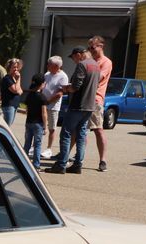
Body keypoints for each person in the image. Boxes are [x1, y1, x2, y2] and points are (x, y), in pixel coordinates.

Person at [46, 46, 99, 175]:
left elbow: (76, 86)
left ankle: (61, 164)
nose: (74, 60)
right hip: (90, 105)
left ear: (79, 54)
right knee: (81, 135)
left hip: (78, 105)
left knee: (66, 134)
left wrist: (66, 88)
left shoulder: (82, 64)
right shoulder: (96, 65)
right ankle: (77, 164)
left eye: (74, 57)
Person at [88, 35, 113, 172]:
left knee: (98, 130)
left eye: (92, 47)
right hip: (84, 98)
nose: (90, 50)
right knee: (79, 130)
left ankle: (102, 160)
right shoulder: (90, 61)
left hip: (95, 99)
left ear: (101, 46)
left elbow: (98, 77)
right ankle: (69, 156)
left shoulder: (106, 62)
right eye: (89, 48)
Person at [40, 56, 69, 158]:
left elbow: (60, 93)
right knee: (39, 125)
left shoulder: (63, 76)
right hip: (43, 104)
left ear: (56, 66)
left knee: (52, 128)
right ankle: (36, 146)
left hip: (53, 106)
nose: (47, 65)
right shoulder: (47, 74)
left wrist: (48, 101)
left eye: (49, 64)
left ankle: (49, 149)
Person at [23, 74, 47, 170]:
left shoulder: (29, 96)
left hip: (29, 122)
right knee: (37, 145)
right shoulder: (42, 97)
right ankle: (36, 165)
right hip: (38, 124)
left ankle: (23, 162)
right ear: (41, 84)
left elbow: (27, 110)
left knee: (27, 144)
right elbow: (44, 113)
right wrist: (45, 126)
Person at [1, 58, 23, 125]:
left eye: (17, 67)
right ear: (9, 68)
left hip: (14, 105)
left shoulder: (13, 78)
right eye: (14, 67)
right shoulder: (7, 79)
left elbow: (20, 91)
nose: (16, 69)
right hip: (8, 105)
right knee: (7, 125)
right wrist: (19, 78)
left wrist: (17, 88)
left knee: (9, 125)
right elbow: (15, 90)